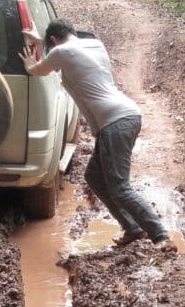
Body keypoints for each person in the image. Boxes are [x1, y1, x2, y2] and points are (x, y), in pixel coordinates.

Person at [19, 18, 175, 251]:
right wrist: (41, 40)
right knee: (93, 176)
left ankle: (161, 236)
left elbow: (37, 70)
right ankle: (132, 228)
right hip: (126, 116)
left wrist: (30, 63)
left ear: (53, 40)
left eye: (49, 44)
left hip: (115, 122)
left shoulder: (61, 52)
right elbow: (69, 49)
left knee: (120, 187)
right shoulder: (95, 44)